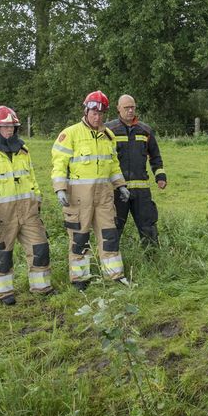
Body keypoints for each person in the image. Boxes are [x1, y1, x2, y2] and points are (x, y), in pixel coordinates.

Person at [0, 105, 52, 305]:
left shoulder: (23, 151)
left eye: (12, 127)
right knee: (2, 256)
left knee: (40, 249)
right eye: (5, 127)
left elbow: (31, 179)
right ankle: (5, 292)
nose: (9, 130)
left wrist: (37, 199)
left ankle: (41, 287)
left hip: (28, 211)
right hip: (1, 215)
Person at [51, 91, 130, 289]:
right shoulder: (70, 134)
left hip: (103, 194)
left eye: (101, 113)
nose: (97, 117)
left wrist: (120, 185)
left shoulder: (108, 136)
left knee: (109, 235)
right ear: (86, 111)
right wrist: (60, 189)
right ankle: (80, 278)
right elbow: (59, 164)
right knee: (80, 237)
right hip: (79, 197)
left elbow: (113, 165)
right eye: (94, 113)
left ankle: (114, 275)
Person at [107, 94, 166, 247]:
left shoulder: (145, 130)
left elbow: (155, 156)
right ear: (118, 109)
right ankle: (110, 260)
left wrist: (160, 177)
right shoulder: (109, 130)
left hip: (141, 191)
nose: (130, 110)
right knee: (113, 228)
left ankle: (153, 260)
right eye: (126, 108)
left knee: (148, 227)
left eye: (132, 107)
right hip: (117, 190)